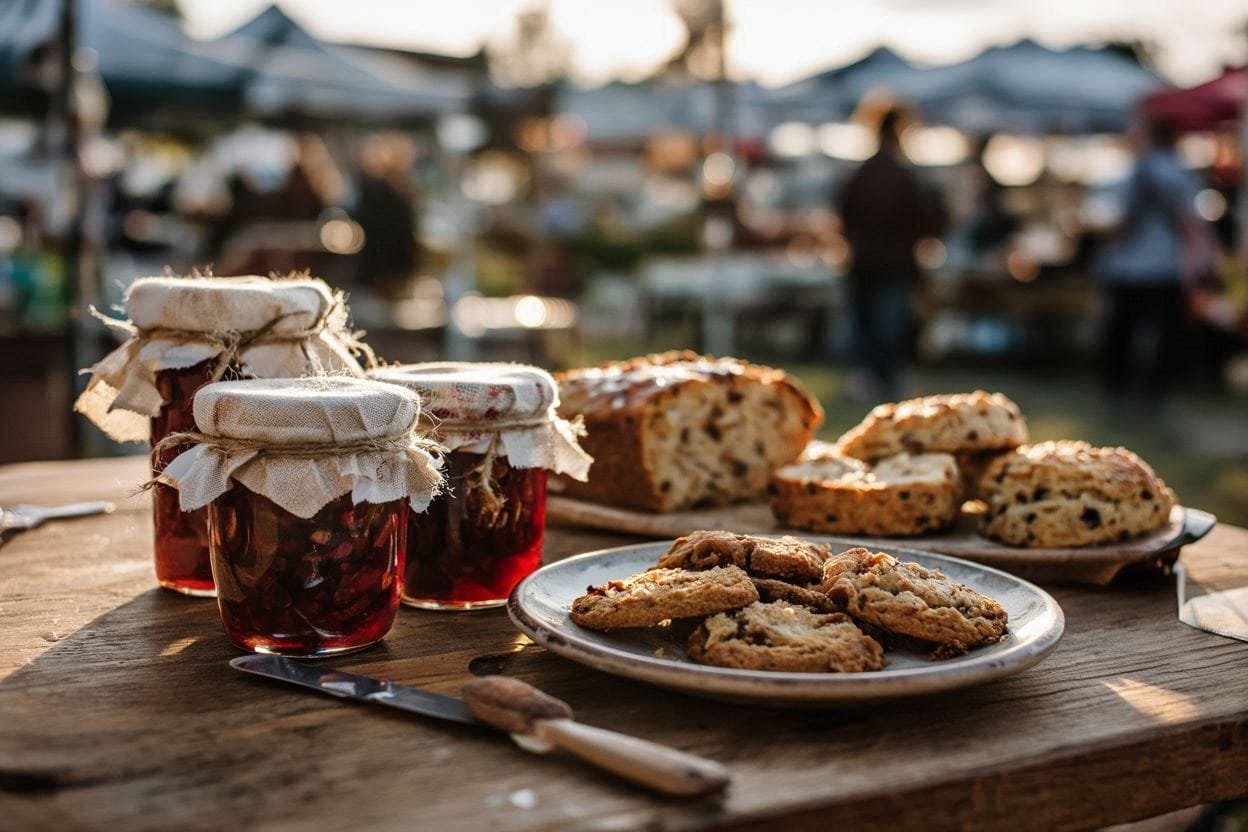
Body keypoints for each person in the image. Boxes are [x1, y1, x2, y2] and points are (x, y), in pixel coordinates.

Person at [1096, 117, 1214, 401]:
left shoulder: (1135, 173)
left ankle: (1117, 388)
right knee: (1162, 333)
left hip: (1129, 266)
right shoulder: (1181, 172)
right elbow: (1192, 222)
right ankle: (1153, 391)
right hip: (1166, 266)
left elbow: (1119, 222)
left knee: (1122, 330)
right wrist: (1202, 257)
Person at [837, 105, 945, 401]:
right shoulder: (903, 175)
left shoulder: (861, 173)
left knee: (869, 328)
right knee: (889, 329)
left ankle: (871, 380)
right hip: (893, 265)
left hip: (863, 264)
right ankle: (887, 380)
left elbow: (844, 217)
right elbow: (925, 221)